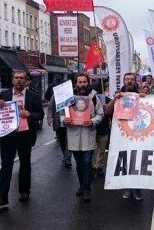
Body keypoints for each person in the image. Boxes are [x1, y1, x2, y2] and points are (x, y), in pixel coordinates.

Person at [0, 70, 44, 207]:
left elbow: (40, 114)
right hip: (8, 135)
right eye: (16, 78)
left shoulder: (33, 96)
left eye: (22, 78)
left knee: (25, 163)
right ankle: (1, 196)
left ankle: (24, 190)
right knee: (6, 165)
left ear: (26, 80)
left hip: (25, 134)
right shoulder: (4, 95)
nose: (19, 80)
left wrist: (30, 114)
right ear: (12, 80)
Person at [63, 73, 104, 202]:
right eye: (79, 82)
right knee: (79, 164)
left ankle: (86, 189)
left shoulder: (93, 98)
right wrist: (65, 120)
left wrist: (93, 121)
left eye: (84, 82)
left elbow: (100, 114)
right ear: (76, 83)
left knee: (87, 162)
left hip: (88, 134)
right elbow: (62, 114)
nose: (82, 84)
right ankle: (81, 185)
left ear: (88, 82)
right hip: (74, 135)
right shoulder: (69, 98)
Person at [106, 72, 147, 201]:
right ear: (124, 81)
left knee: (137, 162)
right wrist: (115, 100)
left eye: (131, 79)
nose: (129, 81)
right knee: (125, 161)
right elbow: (108, 112)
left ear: (135, 81)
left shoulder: (142, 94)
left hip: (138, 133)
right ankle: (128, 189)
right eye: (127, 79)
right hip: (122, 134)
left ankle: (138, 189)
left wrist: (145, 99)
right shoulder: (118, 95)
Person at [47, 94, 72, 169]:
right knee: (62, 142)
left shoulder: (72, 93)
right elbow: (51, 107)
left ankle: (68, 159)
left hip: (70, 122)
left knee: (69, 142)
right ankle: (65, 156)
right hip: (59, 123)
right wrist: (49, 117)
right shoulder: (55, 94)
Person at [93, 82, 112, 178]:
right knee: (92, 149)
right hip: (91, 129)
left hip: (103, 128)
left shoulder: (108, 100)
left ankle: (99, 167)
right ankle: (93, 166)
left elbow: (112, 113)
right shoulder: (88, 100)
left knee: (101, 149)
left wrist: (107, 109)